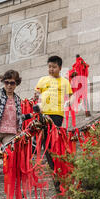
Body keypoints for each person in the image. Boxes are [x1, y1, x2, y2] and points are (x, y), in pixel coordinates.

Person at [34, 56, 74, 189]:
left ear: (60, 68)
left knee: (51, 145)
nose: (51, 69)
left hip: (57, 115)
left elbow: (70, 98)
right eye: (49, 66)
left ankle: (57, 175)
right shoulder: (42, 80)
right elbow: (36, 95)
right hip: (43, 113)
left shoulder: (64, 82)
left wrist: (68, 104)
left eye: (54, 67)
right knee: (44, 143)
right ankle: (53, 171)